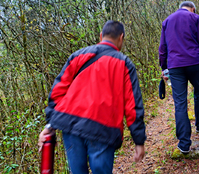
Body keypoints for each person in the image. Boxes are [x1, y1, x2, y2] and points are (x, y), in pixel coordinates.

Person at [38, 21, 146, 174]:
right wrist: (139, 140)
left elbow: (57, 92)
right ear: (121, 38)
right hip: (103, 129)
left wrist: (50, 125)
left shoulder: (78, 56)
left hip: (71, 125)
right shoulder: (125, 64)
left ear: (101, 36)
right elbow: (132, 106)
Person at [158, 1, 199, 154]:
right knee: (198, 92)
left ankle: (184, 143)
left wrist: (164, 68)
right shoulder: (195, 17)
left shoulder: (167, 21)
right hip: (194, 62)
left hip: (175, 66)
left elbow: (162, 48)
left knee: (180, 103)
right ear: (192, 8)